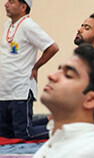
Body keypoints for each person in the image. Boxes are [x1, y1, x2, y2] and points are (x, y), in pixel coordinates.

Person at [0, 0, 58, 140]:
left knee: (23, 134)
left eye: (11, 2)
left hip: (20, 89)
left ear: (23, 6)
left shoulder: (28, 25)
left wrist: (36, 66)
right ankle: (49, 120)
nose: (6, 4)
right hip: (4, 90)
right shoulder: (8, 25)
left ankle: (62, 130)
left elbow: (52, 47)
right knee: (6, 134)